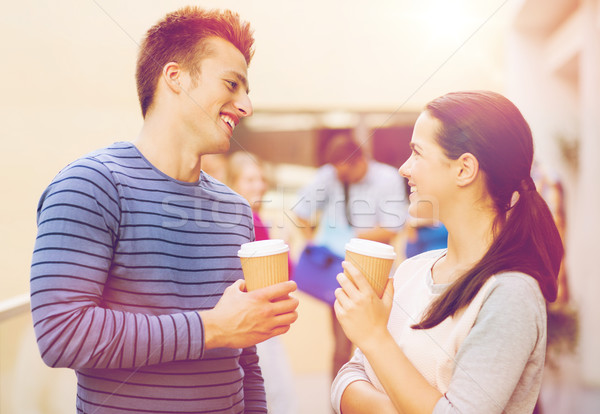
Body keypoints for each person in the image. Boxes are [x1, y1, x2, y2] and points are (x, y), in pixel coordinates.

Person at [29, 7, 299, 413]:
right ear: (174, 77)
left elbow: (245, 357)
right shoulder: (91, 184)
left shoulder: (236, 212)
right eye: (231, 83)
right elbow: (61, 334)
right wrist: (213, 327)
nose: (246, 105)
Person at [331, 90, 563, 414]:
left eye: (417, 153)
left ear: (464, 169)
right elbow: (345, 381)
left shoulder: (510, 294)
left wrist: (373, 337)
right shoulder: (412, 271)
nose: (403, 168)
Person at [293, 131, 407, 381]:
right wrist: (314, 241)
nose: (339, 177)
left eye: (344, 173)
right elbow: (299, 211)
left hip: (377, 278)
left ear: (360, 161)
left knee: (380, 346)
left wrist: (351, 238)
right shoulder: (330, 174)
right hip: (340, 276)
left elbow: (393, 228)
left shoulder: (387, 179)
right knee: (342, 349)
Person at [226, 150, 298, 414]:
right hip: (256, 317)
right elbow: (280, 278)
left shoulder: (255, 218)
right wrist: (284, 244)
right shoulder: (246, 220)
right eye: (250, 180)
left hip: (259, 315)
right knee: (275, 393)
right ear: (233, 183)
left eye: (260, 179)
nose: (259, 185)